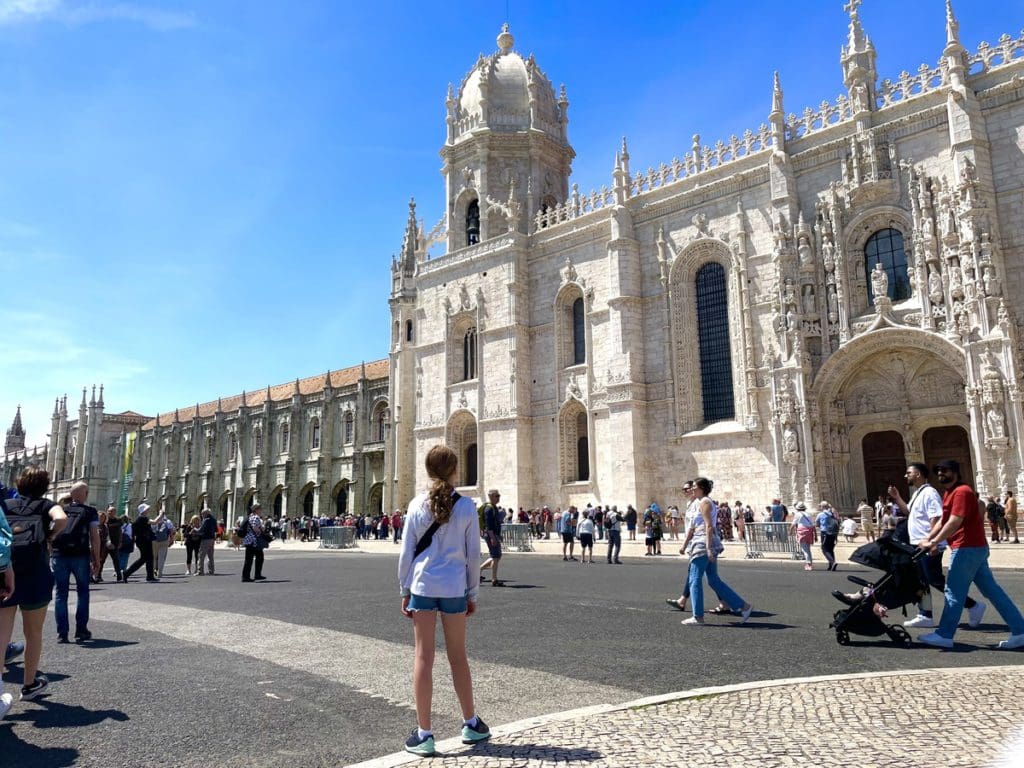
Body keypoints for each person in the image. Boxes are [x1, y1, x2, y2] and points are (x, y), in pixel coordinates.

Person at [397, 445, 489, 757]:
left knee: (423, 657)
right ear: (454, 471)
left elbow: (407, 552)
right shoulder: (465, 506)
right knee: (458, 657)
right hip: (453, 588)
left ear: (427, 470)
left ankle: (424, 734)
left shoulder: (415, 504)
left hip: (423, 585)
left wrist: (405, 589)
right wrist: (472, 593)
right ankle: (471, 723)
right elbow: (473, 555)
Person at [917, 459, 1024, 650]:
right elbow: (943, 520)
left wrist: (933, 542)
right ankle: (1020, 630)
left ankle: (944, 634)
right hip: (974, 548)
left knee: (954, 592)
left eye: (946, 470)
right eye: (938, 470)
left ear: (957, 473)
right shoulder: (950, 493)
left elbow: (955, 521)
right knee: (993, 591)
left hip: (966, 547)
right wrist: (928, 537)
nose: (941, 473)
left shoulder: (962, 492)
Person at [0, 467, 68, 707]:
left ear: (19, 485)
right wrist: (49, 536)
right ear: (44, 486)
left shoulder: (7, 505)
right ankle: (29, 685)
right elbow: (61, 519)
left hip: (7, 571)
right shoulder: (46, 505)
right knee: (34, 633)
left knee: (1, 634)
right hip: (36, 573)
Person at [889, 463, 985, 631]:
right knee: (922, 580)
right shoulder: (918, 493)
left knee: (935, 580)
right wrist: (897, 497)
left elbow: (936, 518)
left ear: (918, 474)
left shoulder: (930, 493)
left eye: (908, 473)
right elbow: (908, 512)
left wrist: (933, 542)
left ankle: (972, 605)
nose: (906, 476)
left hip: (928, 545)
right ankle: (925, 614)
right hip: (919, 544)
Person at [680, 478, 752, 626]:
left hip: (703, 543)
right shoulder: (699, 503)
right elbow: (693, 527)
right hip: (701, 542)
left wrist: (708, 548)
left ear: (702, 488)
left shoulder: (705, 502)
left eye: (694, 486)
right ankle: (744, 607)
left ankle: (698, 616)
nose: (692, 489)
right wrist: (684, 545)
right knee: (713, 579)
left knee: (694, 578)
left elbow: (708, 526)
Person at [50, 481, 101, 643]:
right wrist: (96, 558)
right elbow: (95, 537)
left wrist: (52, 553)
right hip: (80, 555)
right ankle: (81, 630)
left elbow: (51, 534)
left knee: (61, 594)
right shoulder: (90, 512)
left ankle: (62, 633)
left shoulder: (61, 511)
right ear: (85, 495)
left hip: (59, 555)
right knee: (83, 592)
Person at [123, 503, 156, 582]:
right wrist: (161, 514)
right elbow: (155, 522)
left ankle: (150, 576)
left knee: (149, 558)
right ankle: (127, 573)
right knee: (144, 558)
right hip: (143, 541)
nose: (148, 510)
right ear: (143, 510)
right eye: (147, 509)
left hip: (144, 540)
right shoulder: (142, 519)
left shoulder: (142, 518)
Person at [478, 490, 504, 586]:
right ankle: (494, 579)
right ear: (491, 496)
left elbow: (495, 523)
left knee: (496, 556)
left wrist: (498, 535)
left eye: (499, 495)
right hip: (490, 535)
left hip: (493, 534)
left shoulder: (493, 508)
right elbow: (489, 525)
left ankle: (479, 570)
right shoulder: (489, 509)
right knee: (495, 557)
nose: (498, 498)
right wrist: (493, 537)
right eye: (497, 496)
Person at [241, 503, 267, 582]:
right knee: (250, 559)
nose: (261, 510)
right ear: (256, 510)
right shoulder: (255, 517)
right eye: (260, 509)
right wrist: (261, 531)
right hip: (252, 540)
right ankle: (246, 577)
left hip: (250, 540)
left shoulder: (251, 516)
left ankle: (257, 574)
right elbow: (255, 528)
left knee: (259, 557)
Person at [100, 506, 124, 583]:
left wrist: (120, 542)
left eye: (112, 511)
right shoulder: (105, 521)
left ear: (115, 512)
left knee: (116, 560)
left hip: (115, 543)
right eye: (109, 511)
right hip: (105, 543)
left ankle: (119, 576)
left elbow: (120, 532)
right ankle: (98, 575)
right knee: (102, 560)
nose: (110, 513)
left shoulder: (118, 520)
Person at [790, 502, 815, 571]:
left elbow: (793, 524)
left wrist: (790, 531)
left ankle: (809, 564)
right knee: (808, 549)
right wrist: (815, 535)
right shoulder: (808, 514)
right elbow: (813, 525)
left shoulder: (797, 514)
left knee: (805, 549)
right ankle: (810, 563)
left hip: (802, 532)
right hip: (809, 531)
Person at [815, 501, 840, 571]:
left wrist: (820, 525)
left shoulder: (820, 514)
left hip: (825, 533)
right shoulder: (832, 514)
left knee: (824, 549)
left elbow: (817, 523)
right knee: (831, 549)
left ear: (822, 507)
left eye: (820, 506)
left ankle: (833, 562)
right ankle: (831, 565)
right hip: (833, 533)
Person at [150, 510, 175, 578]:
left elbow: (151, 530)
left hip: (154, 541)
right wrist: (172, 540)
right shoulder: (168, 521)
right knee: (162, 557)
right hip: (164, 541)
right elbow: (171, 531)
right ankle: (160, 572)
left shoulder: (155, 520)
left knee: (154, 557)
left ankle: (152, 572)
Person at [196, 508, 217, 575]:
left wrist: (195, 530)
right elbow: (216, 529)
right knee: (210, 556)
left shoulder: (206, 520)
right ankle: (211, 571)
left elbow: (200, 530)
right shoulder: (213, 519)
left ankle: (200, 571)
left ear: (206, 514)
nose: (201, 515)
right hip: (212, 539)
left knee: (201, 555)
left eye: (202, 514)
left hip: (205, 539)